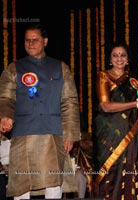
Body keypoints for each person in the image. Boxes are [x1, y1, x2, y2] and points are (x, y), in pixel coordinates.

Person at [0, 23, 80, 199]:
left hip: (53, 134)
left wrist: (69, 134)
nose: (30, 43)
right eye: (27, 40)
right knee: (22, 185)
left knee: (53, 184)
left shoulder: (61, 67)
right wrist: (5, 116)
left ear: (45, 41)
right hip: (23, 134)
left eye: (35, 39)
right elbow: (5, 98)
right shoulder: (13, 68)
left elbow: (70, 102)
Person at [92, 42, 138, 199]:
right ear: (110, 59)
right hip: (109, 135)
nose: (119, 58)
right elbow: (105, 106)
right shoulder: (103, 76)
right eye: (115, 55)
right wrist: (135, 104)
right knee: (109, 174)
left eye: (123, 55)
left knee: (131, 171)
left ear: (128, 59)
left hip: (131, 133)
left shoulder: (133, 81)